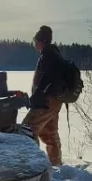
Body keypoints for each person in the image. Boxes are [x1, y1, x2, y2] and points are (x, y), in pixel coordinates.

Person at [22, 25, 67, 166]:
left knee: (27, 129)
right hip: (54, 100)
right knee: (49, 133)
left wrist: (38, 94)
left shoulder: (49, 55)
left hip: (47, 101)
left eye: (36, 41)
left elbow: (47, 77)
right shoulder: (52, 53)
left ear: (42, 41)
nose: (34, 43)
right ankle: (56, 165)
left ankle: (33, 164)